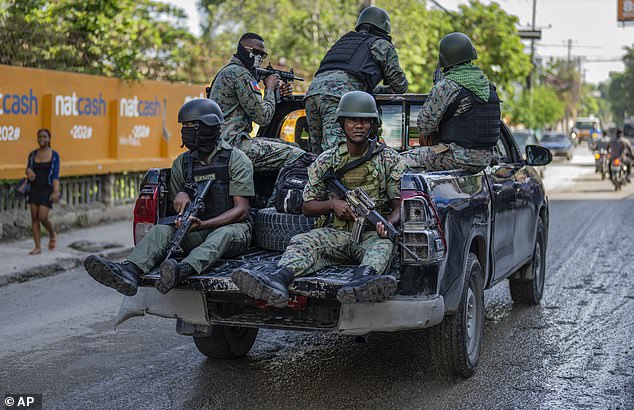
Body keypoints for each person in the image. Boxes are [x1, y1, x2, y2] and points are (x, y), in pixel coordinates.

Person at [232, 91, 406, 307]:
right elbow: (307, 206)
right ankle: (277, 280)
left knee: (384, 245)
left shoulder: (389, 160)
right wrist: (333, 205)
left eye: (364, 120)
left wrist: (388, 223)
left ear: (373, 124)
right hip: (335, 233)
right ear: (342, 123)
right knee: (302, 241)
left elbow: (399, 204)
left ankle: (361, 283)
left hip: (370, 235)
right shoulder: (326, 161)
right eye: (353, 120)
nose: (359, 125)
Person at [84, 99, 254, 296]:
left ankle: (181, 270)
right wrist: (181, 195)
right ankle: (130, 271)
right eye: (184, 127)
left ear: (210, 128)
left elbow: (242, 210)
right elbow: (176, 209)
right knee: (161, 230)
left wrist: (204, 225)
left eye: (193, 126)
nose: (186, 132)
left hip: (234, 230)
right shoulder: (182, 163)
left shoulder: (235, 159)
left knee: (221, 234)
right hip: (196, 227)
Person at [304, 6, 408, 154]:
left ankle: (315, 177)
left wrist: (369, 91)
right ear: (384, 27)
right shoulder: (380, 44)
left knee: (316, 153)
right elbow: (400, 85)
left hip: (312, 93)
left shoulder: (345, 40)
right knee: (338, 153)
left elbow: (347, 76)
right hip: (339, 98)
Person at [401, 32, 500, 173]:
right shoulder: (487, 84)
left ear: (444, 58)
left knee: (397, 162)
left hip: (456, 158)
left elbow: (424, 126)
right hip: (486, 160)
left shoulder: (447, 86)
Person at [208, 32, 305, 172]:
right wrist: (270, 89)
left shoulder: (229, 71)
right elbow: (263, 118)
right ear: (241, 49)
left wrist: (279, 93)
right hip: (232, 146)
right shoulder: (240, 75)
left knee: (295, 147)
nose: (259, 57)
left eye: (263, 55)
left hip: (224, 144)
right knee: (298, 155)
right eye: (255, 52)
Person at [25, 128, 61, 255]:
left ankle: (52, 233)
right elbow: (28, 169)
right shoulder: (33, 154)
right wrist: (29, 172)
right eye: (40, 137)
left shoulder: (54, 155)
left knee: (42, 217)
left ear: (49, 139)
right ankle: (37, 247)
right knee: (34, 218)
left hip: (47, 189)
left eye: (44, 137)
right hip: (34, 188)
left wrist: (56, 191)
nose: (42, 139)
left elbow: (56, 175)